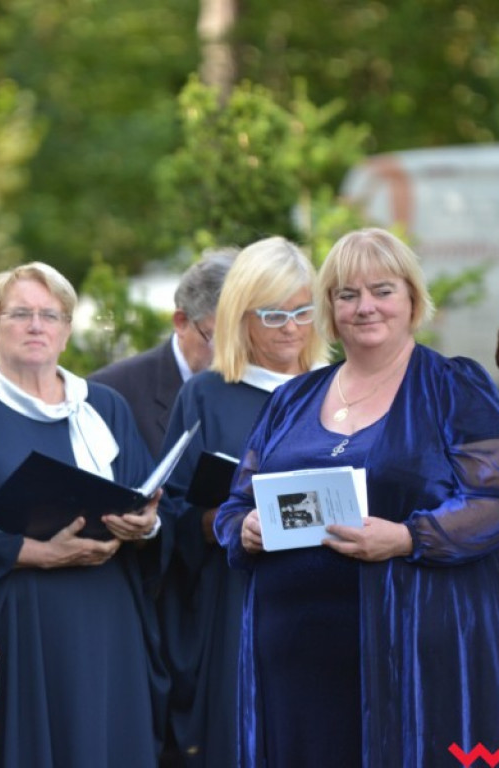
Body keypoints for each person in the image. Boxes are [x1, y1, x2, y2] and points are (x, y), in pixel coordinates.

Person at [216, 228, 499, 767]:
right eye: (347, 295)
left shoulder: (452, 388)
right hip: (292, 655)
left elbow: (491, 502)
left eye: (382, 290)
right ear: (329, 309)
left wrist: (406, 537)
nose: (365, 307)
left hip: (408, 649)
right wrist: (245, 529)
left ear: (413, 299)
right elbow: (235, 505)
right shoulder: (292, 399)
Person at [0, 262, 166, 768]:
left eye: (50, 315)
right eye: (20, 313)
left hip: (110, 612)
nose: (36, 325)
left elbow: (149, 497)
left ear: (67, 330)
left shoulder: (103, 406)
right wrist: (36, 553)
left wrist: (145, 524)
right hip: (26, 618)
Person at [156, 238, 325, 767]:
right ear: (239, 317)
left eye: (303, 310)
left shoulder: (337, 388)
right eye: (273, 314)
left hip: (330, 595)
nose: (291, 327)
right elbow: (170, 510)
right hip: (239, 603)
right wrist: (225, 522)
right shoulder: (207, 395)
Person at [90, 249, 236, 460]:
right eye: (219, 340)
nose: (233, 355)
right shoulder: (111, 394)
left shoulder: (270, 388)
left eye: (244, 340)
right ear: (181, 322)